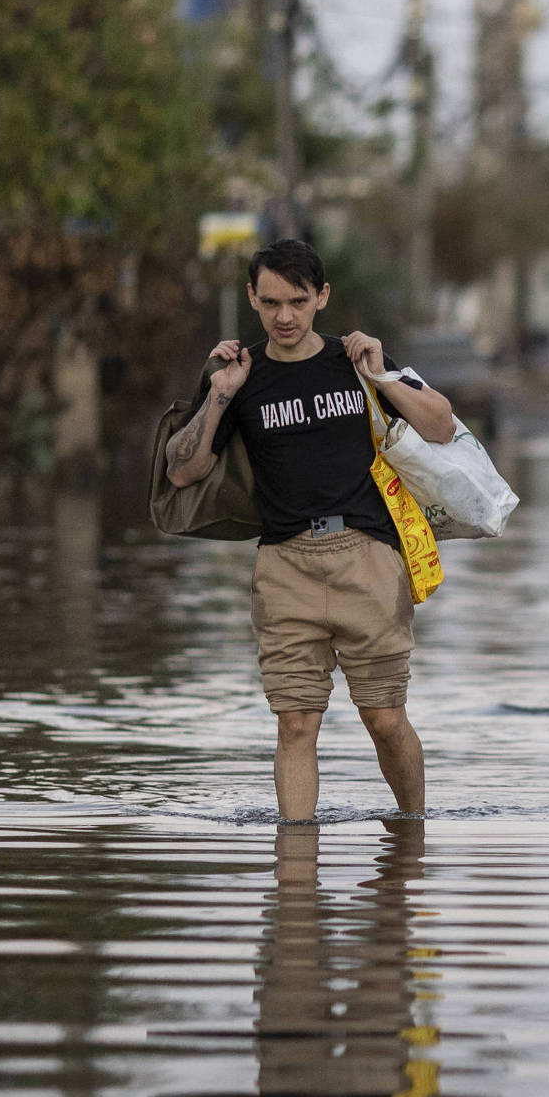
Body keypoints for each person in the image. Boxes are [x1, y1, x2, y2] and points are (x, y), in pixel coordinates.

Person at [162, 238, 458, 821]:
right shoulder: (239, 375)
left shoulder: (356, 361)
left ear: (322, 297)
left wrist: (382, 377)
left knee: (384, 717)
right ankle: (295, 875)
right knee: (295, 722)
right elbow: (182, 471)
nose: (284, 316)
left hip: (368, 557)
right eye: (270, 302)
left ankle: (413, 836)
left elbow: (443, 426)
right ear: (251, 297)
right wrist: (219, 396)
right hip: (285, 564)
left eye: (297, 301)